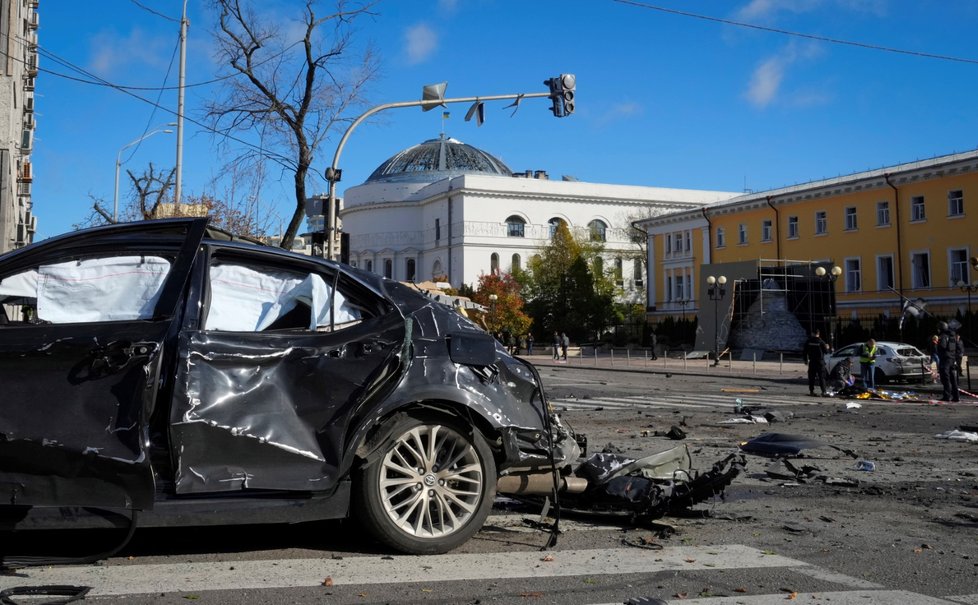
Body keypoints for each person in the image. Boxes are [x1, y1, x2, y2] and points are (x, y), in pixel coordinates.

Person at [937, 322, 961, 402]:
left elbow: (942, 347)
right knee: (953, 379)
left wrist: (937, 343)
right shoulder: (952, 337)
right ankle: (956, 396)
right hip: (952, 359)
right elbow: (958, 348)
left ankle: (947, 396)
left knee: (945, 378)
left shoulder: (943, 336)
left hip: (945, 359)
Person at [803, 329, 830, 396]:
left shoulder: (808, 341)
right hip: (820, 362)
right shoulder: (821, 342)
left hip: (812, 361)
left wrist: (805, 360)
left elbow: (804, 351)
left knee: (811, 377)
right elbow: (826, 352)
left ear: (812, 333)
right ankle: (823, 392)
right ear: (818, 334)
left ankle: (811, 391)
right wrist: (827, 347)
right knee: (822, 377)